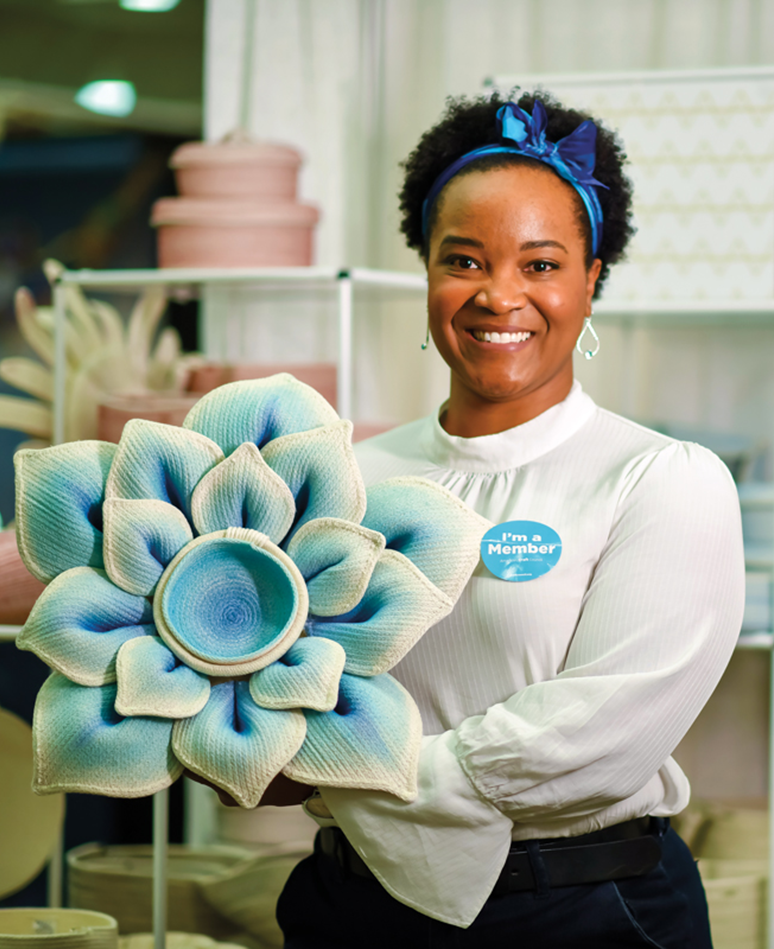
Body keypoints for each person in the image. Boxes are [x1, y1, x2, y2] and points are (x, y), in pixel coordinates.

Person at [275, 91, 745, 947]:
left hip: (583, 907)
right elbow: (277, 688)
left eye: (539, 264)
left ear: (591, 279)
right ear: (425, 271)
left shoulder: (660, 479)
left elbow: (598, 733)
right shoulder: (348, 478)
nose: (498, 296)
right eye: (464, 260)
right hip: (353, 905)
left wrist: (348, 766)